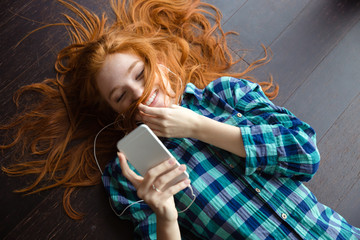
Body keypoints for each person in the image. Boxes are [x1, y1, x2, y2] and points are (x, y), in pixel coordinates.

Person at [1, 0, 359, 239]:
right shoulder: (129, 175)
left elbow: (305, 154)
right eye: (121, 96)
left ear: (156, 60)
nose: (139, 93)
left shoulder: (226, 95)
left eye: (140, 74)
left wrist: (197, 126)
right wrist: (166, 214)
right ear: (114, 113)